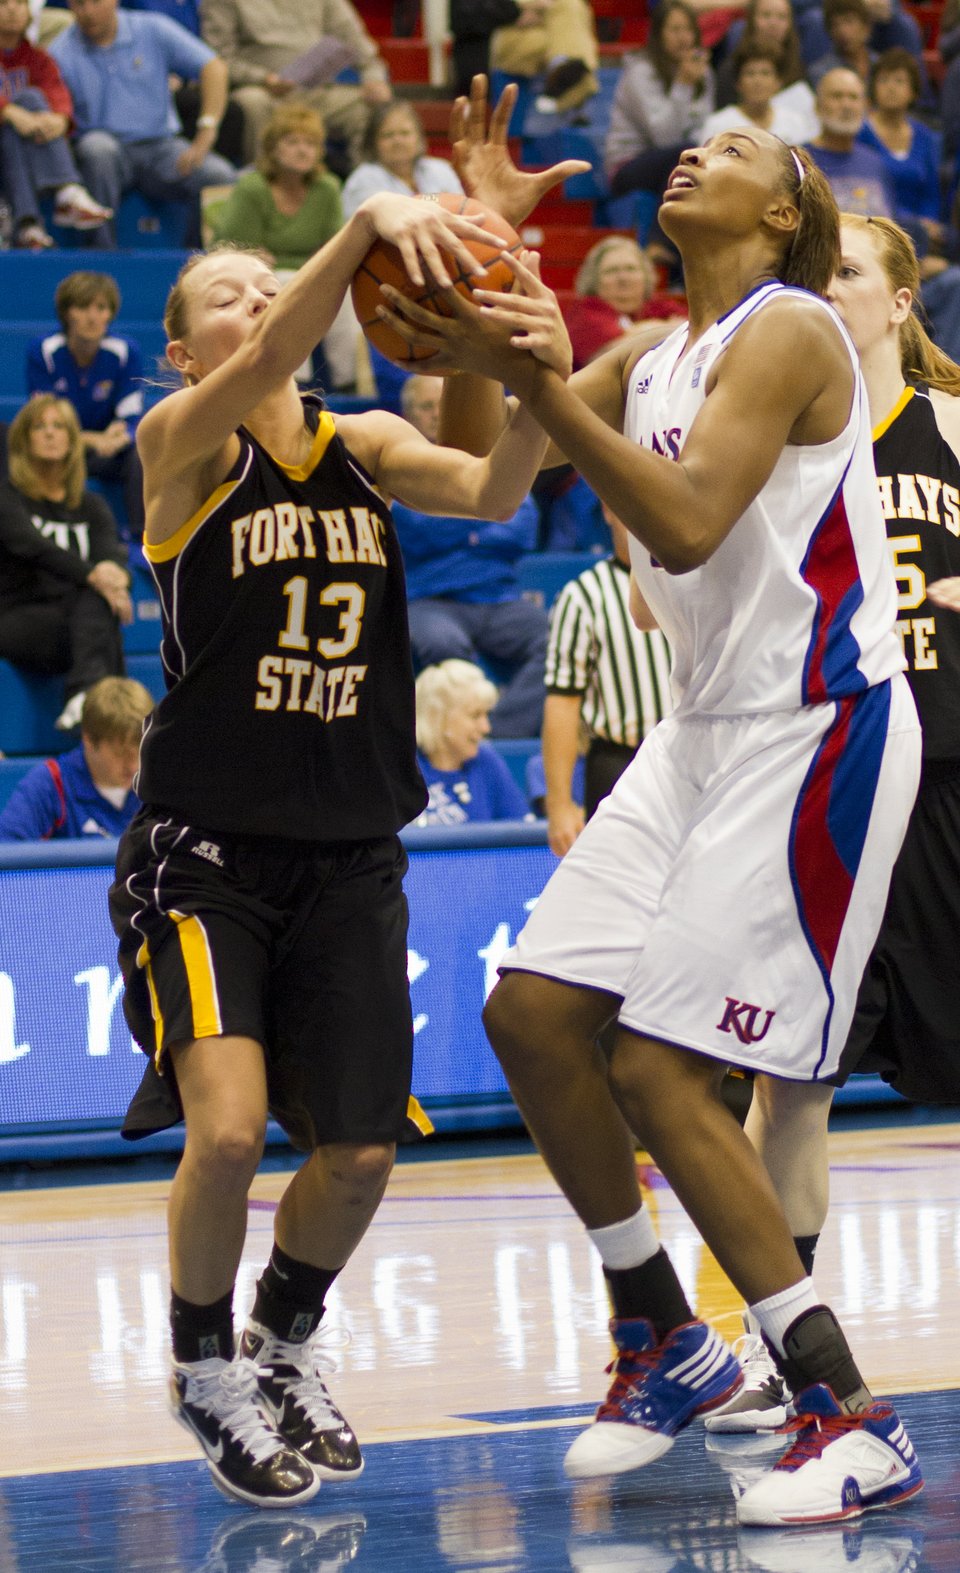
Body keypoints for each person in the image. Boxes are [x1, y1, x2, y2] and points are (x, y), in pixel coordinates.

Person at [378, 75, 924, 1524]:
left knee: (668, 1070)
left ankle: (848, 1410)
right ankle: (661, 1332)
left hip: (821, 724)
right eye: (697, 137)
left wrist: (543, 362)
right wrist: (485, 269)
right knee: (537, 1013)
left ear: (788, 207)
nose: (697, 150)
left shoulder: (793, 330)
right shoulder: (643, 356)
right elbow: (490, 484)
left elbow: (682, 517)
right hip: (702, 729)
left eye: (735, 147)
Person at [105, 187, 570, 1508]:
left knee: (362, 1152)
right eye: (227, 296)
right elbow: (266, 356)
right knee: (235, 1127)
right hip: (204, 853)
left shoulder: (361, 441)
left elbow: (490, 484)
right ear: (186, 351)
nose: (257, 304)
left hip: (352, 851)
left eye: (269, 283)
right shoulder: (179, 444)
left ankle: (286, 1343)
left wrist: (501, 336)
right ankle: (203, 1366)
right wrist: (369, 218)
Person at [713, 213, 960, 1431]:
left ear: (902, 301)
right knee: (793, 1079)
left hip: (955, 780)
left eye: (848, 272)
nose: (828, 290)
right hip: (840, 776)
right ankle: (783, 1345)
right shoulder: (785, 437)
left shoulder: (956, 428)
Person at [393, 373, 550, 738]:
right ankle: (453, 734)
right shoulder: (399, 462)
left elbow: (524, 525)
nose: (435, 413)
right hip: (432, 601)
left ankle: (493, 734)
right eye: (426, 406)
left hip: (500, 600)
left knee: (558, 643)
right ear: (409, 415)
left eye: (441, 403)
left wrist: (456, 514)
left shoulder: (495, 455)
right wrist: (486, 514)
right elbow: (417, 529)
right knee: (441, 643)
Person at [49, 0, 237, 249]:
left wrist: (207, 129)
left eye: (96, 2)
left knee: (218, 175)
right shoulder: (60, 51)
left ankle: (198, 261)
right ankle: (100, 257)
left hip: (162, 147)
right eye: (80, 4)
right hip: (105, 150)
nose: (88, 12)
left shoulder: (151, 29)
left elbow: (213, 67)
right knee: (97, 149)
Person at [542, 502, 673, 857]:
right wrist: (559, 805)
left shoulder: (691, 582)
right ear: (608, 509)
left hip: (684, 756)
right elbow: (562, 701)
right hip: (617, 764)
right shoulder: (583, 596)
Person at [806, 70, 960, 363]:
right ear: (818, 106)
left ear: (864, 106)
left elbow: (889, 230)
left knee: (955, 282)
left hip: (885, 280)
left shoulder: (873, 163)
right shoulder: (801, 161)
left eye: (853, 97)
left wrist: (914, 266)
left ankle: (946, 385)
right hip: (833, 283)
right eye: (836, 96)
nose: (846, 105)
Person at [0, 394, 131, 733]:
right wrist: (94, 576)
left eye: (58, 426)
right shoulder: (8, 497)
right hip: (20, 619)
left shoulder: (91, 504)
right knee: (99, 607)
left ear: (73, 441)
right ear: (23, 440)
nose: (49, 433)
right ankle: (104, 707)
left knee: (98, 601)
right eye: (39, 427)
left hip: (79, 624)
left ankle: (89, 701)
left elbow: (112, 554)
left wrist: (116, 578)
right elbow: (32, 547)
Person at [209, 101, 356, 392]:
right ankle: (293, 385)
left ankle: (349, 383)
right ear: (273, 149)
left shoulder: (327, 188)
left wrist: (290, 259)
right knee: (285, 286)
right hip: (260, 281)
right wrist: (300, 261)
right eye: (292, 142)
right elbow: (230, 250)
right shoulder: (253, 188)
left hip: (308, 273)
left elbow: (335, 247)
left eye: (311, 143)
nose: (303, 150)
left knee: (346, 292)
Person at [199, 0, 392, 173]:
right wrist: (264, 78)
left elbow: (358, 44)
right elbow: (216, 60)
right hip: (262, 90)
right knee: (253, 102)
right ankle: (265, 185)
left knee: (369, 106)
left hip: (315, 90)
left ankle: (368, 188)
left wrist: (374, 78)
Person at [26, 271, 145, 535]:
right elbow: (44, 419)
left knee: (141, 454)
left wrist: (121, 434)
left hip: (105, 452)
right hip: (63, 447)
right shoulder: (43, 351)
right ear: (68, 313)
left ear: (110, 314)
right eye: (83, 307)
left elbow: (131, 416)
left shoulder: (125, 351)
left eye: (101, 308)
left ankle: (142, 539)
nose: (92, 317)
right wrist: (93, 439)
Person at [0, 0, 111, 250]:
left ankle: (29, 224)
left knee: (25, 116)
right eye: (3, 3)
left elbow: (56, 91)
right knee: (27, 102)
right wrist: (8, 111)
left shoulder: (38, 57)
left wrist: (60, 119)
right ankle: (66, 190)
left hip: (20, 146)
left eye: (19, 3)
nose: (11, 9)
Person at [0, 674, 152, 840]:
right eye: (120, 754)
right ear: (88, 739)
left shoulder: (159, 783)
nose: (133, 766)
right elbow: (6, 851)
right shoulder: (51, 784)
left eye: (140, 752)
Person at [604, 2, 715, 197]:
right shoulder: (640, 73)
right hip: (629, 164)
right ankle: (665, 227)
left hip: (679, 154)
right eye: (675, 29)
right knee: (683, 156)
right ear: (659, 34)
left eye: (688, 29)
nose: (683, 37)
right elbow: (664, 138)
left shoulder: (703, 73)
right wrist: (683, 84)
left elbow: (704, 128)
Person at [413, 658, 532, 825]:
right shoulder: (404, 768)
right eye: (475, 715)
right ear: (438, 718)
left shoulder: (487, 760)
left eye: (486, 715)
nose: (486, 728)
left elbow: (522, 834)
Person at [562, 236, 686, 372]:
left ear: (646, 276)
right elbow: (612, 356)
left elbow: (695, 330)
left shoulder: (657, 306)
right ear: (593, 281)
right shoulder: (583, 313)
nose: (623, 278)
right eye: (611, 271)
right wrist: (666, 328)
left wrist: (633, 332)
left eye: (631, 269)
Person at [858, 49, 943, 232]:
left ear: (913, 91)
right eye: (883, 80)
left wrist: (928, 222)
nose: (891, 87)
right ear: (873, 88)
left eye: (899, 80)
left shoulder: (925, 137)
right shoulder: (860, 134)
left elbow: (931, 193)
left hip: (922, 232)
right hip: (875, 226)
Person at [714, 0, 817, 140]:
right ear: (751, 21)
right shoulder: (731, 69)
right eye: (766, 15)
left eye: (781, 17)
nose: (773, 23)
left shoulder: (798, 67)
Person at [341, 100, 462, 219]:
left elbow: (462, 208)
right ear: (373, 142)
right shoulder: (363, 179)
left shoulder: (440, 169)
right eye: (388, 135)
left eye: (405, 133)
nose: (398, 141)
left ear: (419, 137)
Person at [699, 42, 815, 147]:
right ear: (737, 83)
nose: (757, 81)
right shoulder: (717, 125)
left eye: (765, 73)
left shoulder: (795, 122)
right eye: (750, 73)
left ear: (778, 82)